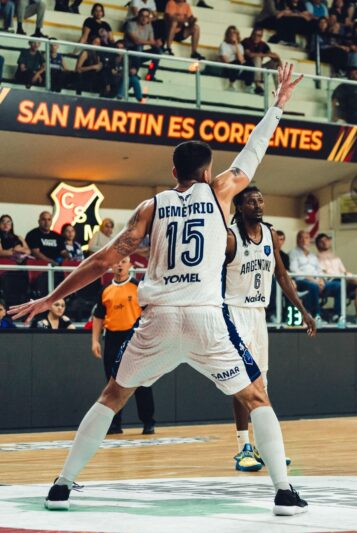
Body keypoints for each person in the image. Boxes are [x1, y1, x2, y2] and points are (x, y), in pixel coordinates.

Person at [9, 64, 309, 516]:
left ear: (174, 171)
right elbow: (254, 151)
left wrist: (52, 298)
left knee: (112, 396)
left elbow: (102, 261)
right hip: (208, 317)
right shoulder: (222, 191)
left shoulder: (152, 206)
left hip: (159, 317)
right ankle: (284, 492)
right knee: (256, 397)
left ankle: (62, 485)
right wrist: (278, 105)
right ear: (208, 172)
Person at [225, 185, 315, 473]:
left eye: (261, 200)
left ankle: (264, 446)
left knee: (261, 383)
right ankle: (243, 447)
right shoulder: (229, 237)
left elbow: (282, 275)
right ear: (239, 206)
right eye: (251, 201)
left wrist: (302, 310)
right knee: (243, 381)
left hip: (258, 314)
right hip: (233, 312)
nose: (258, 205)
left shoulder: (271, 235)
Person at [91, 256, 154, 435]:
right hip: (112, 338)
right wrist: (95, 341)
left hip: (134, 337)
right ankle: (115, 424)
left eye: (123, 261)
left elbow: (149, 312)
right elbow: (98, 317)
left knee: (141, 381)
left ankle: (148, 421)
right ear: (111, 265)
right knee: (113, 384)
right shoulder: (105, 289)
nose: (119, 264)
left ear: (130, 265)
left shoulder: (137, 287)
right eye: (117, 261)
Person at [288, 230, 334, 320]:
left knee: (338, 286)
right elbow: (294, 270)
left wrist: (321, 280)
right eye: (302, 238)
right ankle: (316, 315)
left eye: (307, 238)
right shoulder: (293, 253)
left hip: (316, 281)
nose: (305, 240)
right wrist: (311, 279)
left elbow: (319, 270)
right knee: (313, 286)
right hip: (301, 281)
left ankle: (338, 315)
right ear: (298, 240)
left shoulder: (313, 255)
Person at [242, 28, 281, 95]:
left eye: (259, 35)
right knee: (257, 58)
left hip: (259, 70)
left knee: (274, 63)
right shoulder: (246, 41)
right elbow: (250, 55)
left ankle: (279, 89)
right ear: (252, 34)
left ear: (261, 36)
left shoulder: (263, 45)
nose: (256, 37)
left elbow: (274, 55)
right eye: (255, 35)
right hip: (248, 70)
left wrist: (278, 61)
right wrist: (263, 55)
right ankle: (258, 85)